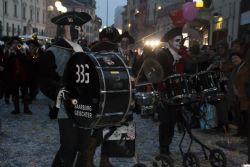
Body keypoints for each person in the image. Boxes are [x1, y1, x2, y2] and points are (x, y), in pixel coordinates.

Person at [38, 11, 92, 166]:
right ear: (63, 29)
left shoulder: (85, 51)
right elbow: (44, 80)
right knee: (69, 146)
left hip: (86, 105)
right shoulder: (52, 52)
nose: (76, 29)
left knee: (84, 146)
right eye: (72, 26)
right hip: (65, 107)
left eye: (77, 26)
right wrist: (58, 92)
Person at [156, 27, 185, 156]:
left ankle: (166, 145)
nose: (180, 43)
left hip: (176, 92)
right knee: (166, 122)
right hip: (165, 93)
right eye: (177, 40)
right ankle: (163, 147)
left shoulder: (180, 55)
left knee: (171, 121)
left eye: (181, 40)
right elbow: (164, 72)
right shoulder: (163, 55)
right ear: (169, 42)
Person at [4, 37, 32, 114]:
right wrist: (9, 53)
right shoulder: (8, 52)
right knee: (15, 93)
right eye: (14, 43)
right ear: (11, 44)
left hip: (23, 76)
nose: (16, 44)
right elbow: (5, 64)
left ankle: (26, 109)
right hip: (13, 77)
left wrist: (24, 53)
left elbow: (28, 62)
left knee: (25, 93)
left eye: (17, 43)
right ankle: (16, 109)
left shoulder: (23, 52)